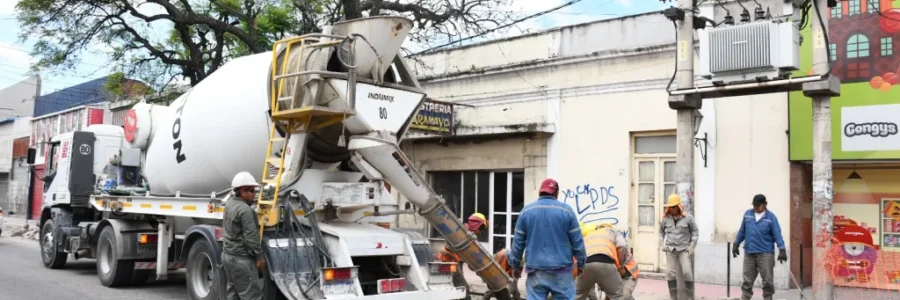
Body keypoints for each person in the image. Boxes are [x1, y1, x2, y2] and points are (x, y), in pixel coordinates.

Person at [508, 178, 586, 300]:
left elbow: (518, 243)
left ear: (540, 192)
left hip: (536, 270)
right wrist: (581, 264)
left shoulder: (526, 211)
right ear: (556, 193)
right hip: (562, 271)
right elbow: (577, 242)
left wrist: (516, 265)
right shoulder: (567, 211)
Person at [732, 194, 787, 300]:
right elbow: (742, 231)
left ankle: (768, 298)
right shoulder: (748, 214)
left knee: (767, 281)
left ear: (765, 204)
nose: (755, 207)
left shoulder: (771, 217)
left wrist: (782, 250)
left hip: (765, 254)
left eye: (758, 205)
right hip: (749, 253)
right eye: (754, 205)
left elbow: (777, 234)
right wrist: (736, 244)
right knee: (747, 280)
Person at [222, 172, 265, 300]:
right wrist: (259, 256)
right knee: (251, 296)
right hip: (241, 260)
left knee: (233, 293)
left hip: (227, 257)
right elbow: (251, 237)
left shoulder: (229, 203)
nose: (255, 194)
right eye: (252, 191)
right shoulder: (245, 211)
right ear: (242, 191)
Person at [437, 212, 489, 298]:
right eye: (481, 228)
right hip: (450, 261)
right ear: (476, 224)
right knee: (463, 287)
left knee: (455, 286)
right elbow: (450, 245)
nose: (480, 232)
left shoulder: (467, 233)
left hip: (455, 261)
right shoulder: (462, 231)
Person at [659, 194, 699, 300]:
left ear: (679, 206)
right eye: (670, 207)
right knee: (670, 274)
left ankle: (690, 297)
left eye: (674, 207)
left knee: (687, 272)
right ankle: (673, 297)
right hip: (670, 249)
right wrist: (661, 244)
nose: (672, 209)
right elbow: (661, 232)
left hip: (684, 249)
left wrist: (692, 246)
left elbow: (695, 232)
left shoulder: (688, 218)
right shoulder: (666, 219)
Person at [576, 222, 627, 300]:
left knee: (577, 295)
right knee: (617, 296)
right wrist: (621, 266)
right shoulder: (613, 231)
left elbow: (579, 250)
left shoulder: (590, 234)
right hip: (606, 263)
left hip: (586, 265)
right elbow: (622, 245)